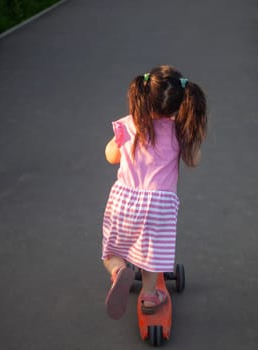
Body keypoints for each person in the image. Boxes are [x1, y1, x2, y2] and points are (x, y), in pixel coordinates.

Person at [101, 65, 207, 320]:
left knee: (112, 251)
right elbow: (193, 161)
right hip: (160, 204)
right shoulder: (179, 133)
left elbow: (111, 156)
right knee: (151, 255)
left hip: (124, 199)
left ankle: (118, 272)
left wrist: (119, 143)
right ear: (181, 104)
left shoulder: (127, 125)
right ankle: (150, 295)